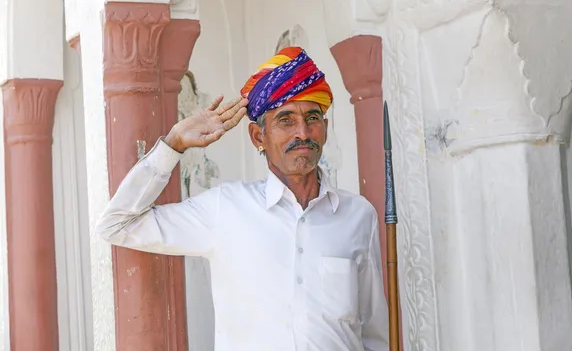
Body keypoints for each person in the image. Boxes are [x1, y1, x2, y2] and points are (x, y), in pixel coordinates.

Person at [96, 47, 389, 350]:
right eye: (286, 120)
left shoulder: (358, 215)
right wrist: (174, 144)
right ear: (258, 137)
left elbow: (373, 331)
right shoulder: (226, 210)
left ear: (325, 129)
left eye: (312, 118)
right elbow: (117, 224)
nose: (302, 132)